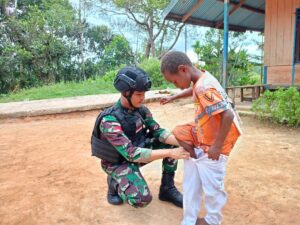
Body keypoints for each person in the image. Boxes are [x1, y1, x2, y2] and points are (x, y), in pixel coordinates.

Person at [160, 51, 242, 225]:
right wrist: (174, 96)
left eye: (174, 81)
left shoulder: (205, 87)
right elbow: (192, 89)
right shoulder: (201, 79)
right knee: (179, 132)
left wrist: (216, 147)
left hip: (216, 143)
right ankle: (189, 219)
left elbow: (227, 115)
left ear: (183, 70)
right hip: (203, 133)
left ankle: (212, 221)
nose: (176, 85)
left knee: (212, 189)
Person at [91, 66, 190, 209]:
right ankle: (115, 183)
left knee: (173, 144)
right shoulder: (109, 120)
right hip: (117, 162)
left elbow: (158, 132)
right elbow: (131, 153)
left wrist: (185, 143)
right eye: (138, 94)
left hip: (138, 152)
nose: (143, 98)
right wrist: (170, 153)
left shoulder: (141, 110)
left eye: (143, 94)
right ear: (125, 93)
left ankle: (167, 189)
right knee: (141, 199)